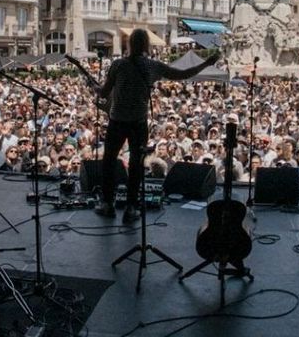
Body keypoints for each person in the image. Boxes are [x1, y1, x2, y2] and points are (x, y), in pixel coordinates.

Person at [91, 29, 220, 223]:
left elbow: (103, 93)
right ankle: (131, 208)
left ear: (129, 44)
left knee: (109, 162)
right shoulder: (153, 67)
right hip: (138, 122)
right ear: (146, 46)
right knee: (136, 164)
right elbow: (183, 74)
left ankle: (107, 204)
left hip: (117, 120)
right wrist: (206, 63)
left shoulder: (118, 64)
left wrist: (94, 87)